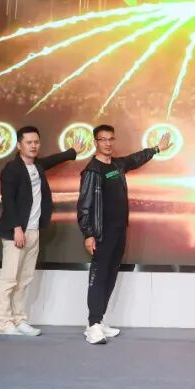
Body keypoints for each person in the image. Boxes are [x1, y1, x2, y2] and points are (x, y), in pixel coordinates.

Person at [77, 124, 172, 345]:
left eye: (111, 139)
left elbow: (135, 159)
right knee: (99, 277)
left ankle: (99, 320)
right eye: (103, 139)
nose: (108, 143)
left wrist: (156, 149)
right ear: (95, 142)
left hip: (119, 231)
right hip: (102, 234)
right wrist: (88, 233)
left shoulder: (117, 165)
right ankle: (92, 325)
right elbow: (84, 205)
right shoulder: (92, 171)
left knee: (110, 276)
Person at [0, 126, 83, 336]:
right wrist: (17, 228)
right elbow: (8, 201)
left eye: (36, 142)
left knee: (24, 280)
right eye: (29, 142)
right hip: (16, 232)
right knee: (9, 280)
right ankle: (4, 323)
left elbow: (53, 160)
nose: (33, 146)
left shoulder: (37, 166)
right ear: (19, 145)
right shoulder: (11, 169)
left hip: (33, 231)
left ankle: (19, 319)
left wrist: (72, 152)